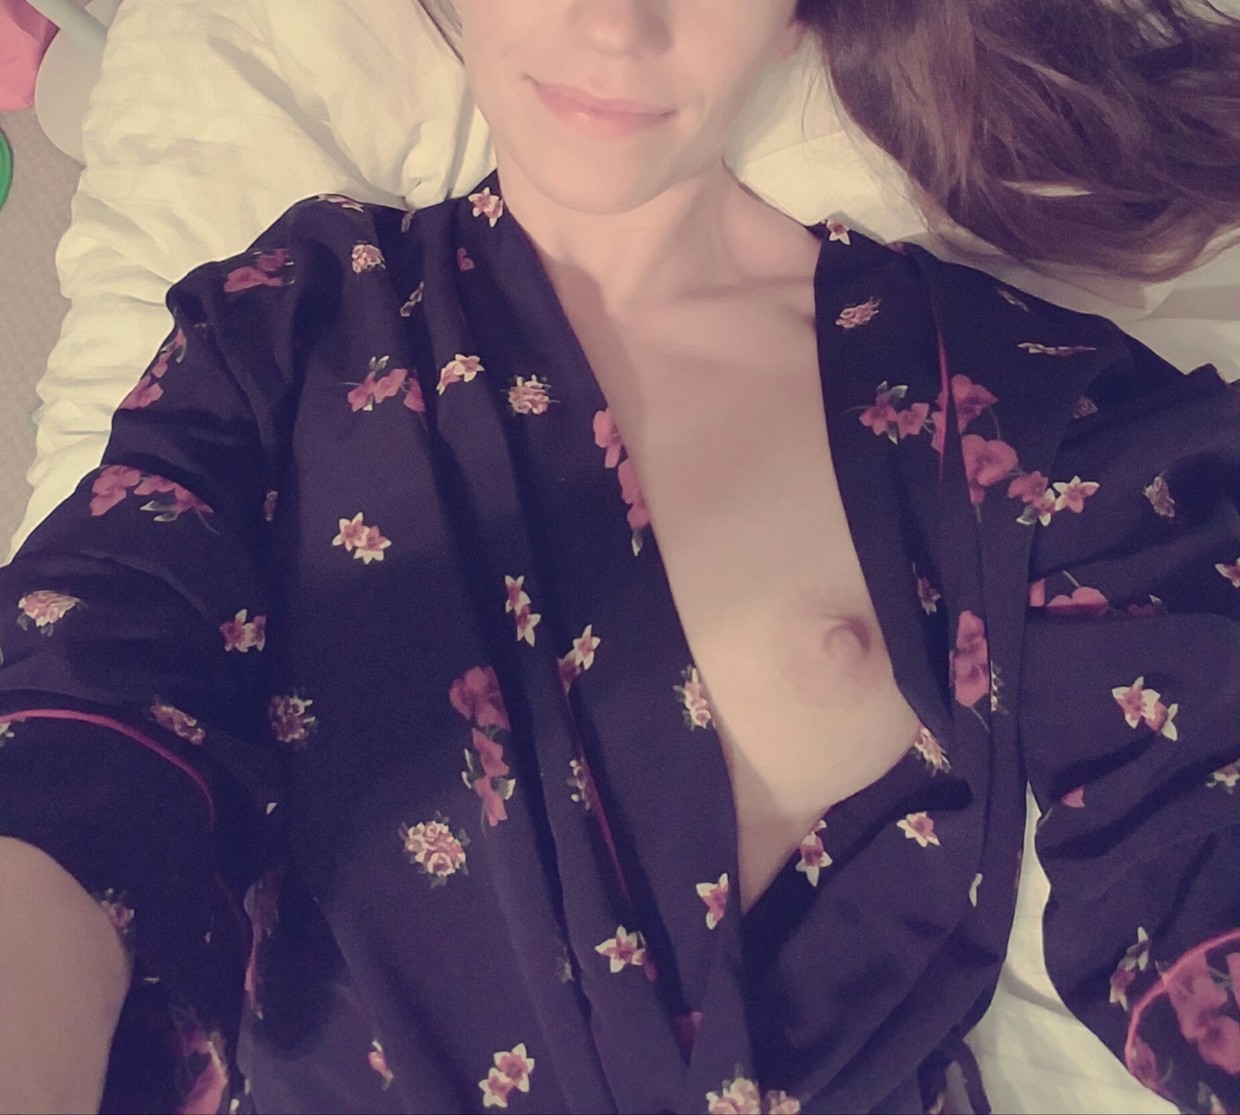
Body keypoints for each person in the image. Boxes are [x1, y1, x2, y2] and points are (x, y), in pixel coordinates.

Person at [1, 1, 1239, 1111]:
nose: (616, 25)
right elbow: (88, 699)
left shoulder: (1006, 403)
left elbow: (1195, 815)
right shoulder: (289, 323)